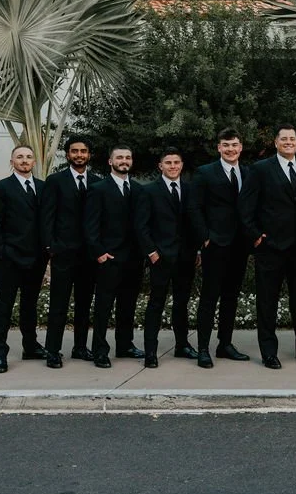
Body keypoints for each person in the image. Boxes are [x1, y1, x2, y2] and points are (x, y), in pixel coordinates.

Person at [240, 124, 296, 368]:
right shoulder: (260, 170)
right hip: (270, 246)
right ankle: (269, 352)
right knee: (267, 302)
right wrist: (255, 236)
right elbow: (245, 206)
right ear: (275, 143)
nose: (288, 142)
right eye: (284, 139)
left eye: (292, 139)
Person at [190, 128, 251, 369]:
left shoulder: (247, 173)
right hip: (215, 244)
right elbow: (194, 208)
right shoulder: (205, 173)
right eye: (226, 145)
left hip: (240, 244)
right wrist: (204, 237)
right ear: (219, 148)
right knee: (209, 297)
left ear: (240, 147)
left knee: (231, 297)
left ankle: (224, 344)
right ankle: (203, 348)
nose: (230, 149)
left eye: (234, 145)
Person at [0, 145, 48, 373]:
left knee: (29, 306)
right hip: (9, 259)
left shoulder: (42, 188)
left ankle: (30, 346)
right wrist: (1, 253)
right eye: (20, 157)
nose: (25, 160)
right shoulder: (1, 188)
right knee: (3, 308)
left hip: (36, 259)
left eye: (29, 157)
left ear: (34, 162)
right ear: (12, 161)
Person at [135, 148, 199, 368]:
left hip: (185, 257)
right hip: (160, 258)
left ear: (182, 165)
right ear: (160, 166)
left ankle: (182, 345)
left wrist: (197, 250)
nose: (173, 166)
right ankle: (150, 352)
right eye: (168, 162)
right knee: (156, 303)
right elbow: (141, 226)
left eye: (177, 162)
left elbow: (194, 223)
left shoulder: (190, 190)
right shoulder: (149, 191)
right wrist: (152, 253)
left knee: (182, 304)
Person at [41, 136, 100, 368]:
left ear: (89, 155)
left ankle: (80, 347)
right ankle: (53, 351)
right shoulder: (55, 181)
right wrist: (50, 247)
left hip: (88, 255)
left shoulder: (97, 182)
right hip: (63, 253)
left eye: (83, 151)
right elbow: (47, 216)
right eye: (74, 151)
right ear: (67, 155)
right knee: (59, 304)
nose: (79, 155)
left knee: (84, 304)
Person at [84, 145, 145, 368]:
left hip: (134, 259)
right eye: (119, 157)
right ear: (110, 161)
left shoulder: (139, 190)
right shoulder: (98, 189)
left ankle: (125, 345)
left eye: (128, 157)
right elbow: (90, 226)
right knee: (103, 306)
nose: (124, 161)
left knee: (127, 305)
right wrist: (99, 252)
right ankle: (100, 350)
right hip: (109, 258)